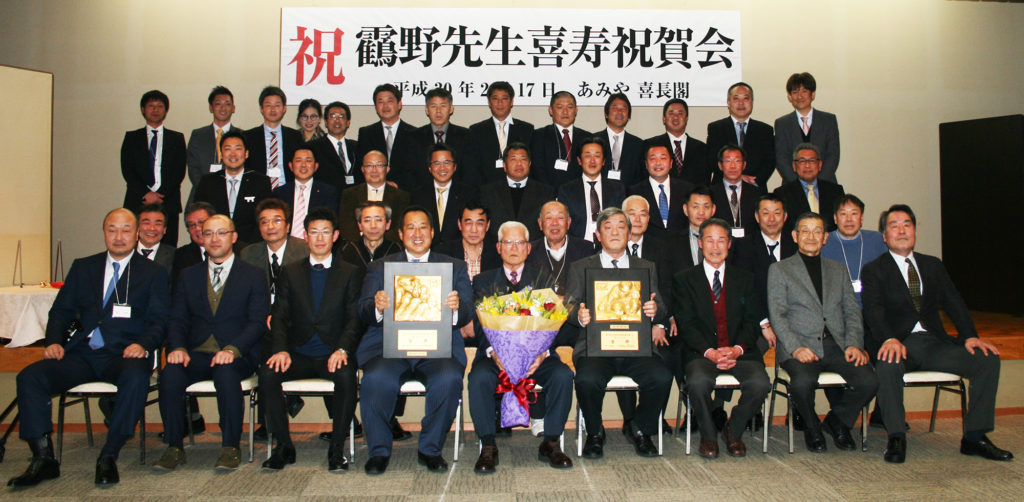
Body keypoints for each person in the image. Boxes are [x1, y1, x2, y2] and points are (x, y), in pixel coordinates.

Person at [7, 209, 169, 487]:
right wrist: (54, 341)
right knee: (31, 376)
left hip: (124, 354)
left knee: (136, 377)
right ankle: (43, 457)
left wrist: (143, 344)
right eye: (112, 230)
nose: (119, 237)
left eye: (125, 230)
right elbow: (62, 312)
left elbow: (159, 319)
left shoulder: (153, 273)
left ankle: (109, 454)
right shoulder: (84, 267)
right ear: (104, 232)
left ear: (136, 234)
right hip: (81, 353)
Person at [862, 204, 1012, 464]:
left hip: (934, 343)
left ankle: (974, 437)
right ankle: (896, 437)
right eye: (894, 226)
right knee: (887, 364)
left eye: (907, 224)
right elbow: (873, 310)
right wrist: (888, 338)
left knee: (986, 359)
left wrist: (970, 336)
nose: (901, 230)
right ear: (885, 236)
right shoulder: (874, 270)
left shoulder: (932, 265)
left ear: (914, 231)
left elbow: (954, 302)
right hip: (899, 343)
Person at [356, 207, 473, 475]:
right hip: (389, 348)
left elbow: (468, 310)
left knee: (448, 379)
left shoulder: (454, 266)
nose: (417, 233)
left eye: (423, 227)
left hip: (438, 349)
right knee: (376, 379)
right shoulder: (380, 267)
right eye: (410, 227)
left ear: (432, 232)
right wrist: (377, 307)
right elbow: (362, 310)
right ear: (400, 233)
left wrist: (456, 309)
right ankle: (379, 451)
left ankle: (430, 449)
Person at [154, 215, 269, 472]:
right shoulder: (188, 275)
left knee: (225, 373)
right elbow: (177, 318)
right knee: (170, 374)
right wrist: (177, 347)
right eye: (208, 233)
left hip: (238, 353)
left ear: (234, 237)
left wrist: (233, 349)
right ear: (201, 238)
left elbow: (257, 322)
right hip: (196, 352)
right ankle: (174, 446)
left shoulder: (253, 275)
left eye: (221, 233)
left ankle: (230, 447)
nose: (214, 239)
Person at [259, 207, 363, 472]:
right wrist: (280, 349)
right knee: (268, 374)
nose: (319, 238)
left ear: (335, 236)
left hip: (332, 353)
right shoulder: (290, 271)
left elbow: (354, 318)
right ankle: (284, 447)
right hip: (298, 353)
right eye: (314, 232)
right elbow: (279, 315)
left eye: (325, 232)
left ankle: (336, 450)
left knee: (346, 376)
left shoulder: (350, 272)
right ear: (305, 236)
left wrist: (342, 349)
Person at [467, 221, 574, 473]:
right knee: (479, 378)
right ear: (498, 247)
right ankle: (488, 444)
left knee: (562, 375)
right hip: (496, 358)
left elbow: (553, 322)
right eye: (507, 242)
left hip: (536, 357)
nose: (513, 248)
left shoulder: (543, 279)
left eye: (519, 243)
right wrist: (494, 353)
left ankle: (551, 442)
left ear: (528, 248)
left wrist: (542, 353)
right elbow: (480, 325)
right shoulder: (483, 281)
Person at [768, 211, 878, 453]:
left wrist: (854, 344)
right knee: (802, 383)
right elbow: (778, 315)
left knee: (869, 380)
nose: (811, 236)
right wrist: (796, 348)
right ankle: (812, 427)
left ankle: (837, 421)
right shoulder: (780, 270)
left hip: (837, 345)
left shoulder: (838, 269)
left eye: (817, 231)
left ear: (825, 237)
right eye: (805, 231)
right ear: (795, 236)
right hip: (800, 345)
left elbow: (852, 312)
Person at [568, 208, 672, 458]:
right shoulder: (580, 267)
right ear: (598, 235)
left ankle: (640, 428)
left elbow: (661, 307)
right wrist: (579, 316)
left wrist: (655, 310)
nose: (615, 232)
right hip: (595, 348)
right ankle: (595, 433)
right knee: (586, 380)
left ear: (629, 233)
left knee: (661, 377)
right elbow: (569, 305)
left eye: (621, 227)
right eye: (608, 227)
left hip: (636, 347)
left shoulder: (645, 266)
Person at [674, 217, 770, 458]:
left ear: (729, 244)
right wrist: (711, 352)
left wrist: (737, 349)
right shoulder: (684, 279)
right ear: (700, 243)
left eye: (721, 241)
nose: (715, 247)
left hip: (741, 352)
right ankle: (708, 436)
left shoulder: (745, 278)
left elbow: (752, 321)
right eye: (709, 240)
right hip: (702, 353)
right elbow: (686, 323)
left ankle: (733, 430)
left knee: (760, 384)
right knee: (697, 383)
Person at [121, 89, 186, 246]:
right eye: (151, 106)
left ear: (166, 110)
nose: (155, 110)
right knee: (134, 246)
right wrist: (146, 194)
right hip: (138, 200)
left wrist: (160, 195)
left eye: (160, 106)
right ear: (143, 109)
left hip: (168, 202)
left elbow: (179, 171)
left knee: (167, 249)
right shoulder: (132, 138)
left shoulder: (176, 138)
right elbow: (128, 170)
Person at [194, 129, 272, 244]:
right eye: (227, 149)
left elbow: (264, 219)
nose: (233, 154)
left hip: (249, 245)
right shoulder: (208, 182)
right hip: (215, 243)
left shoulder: (261, 182)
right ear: (221, 154)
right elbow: (200, 216)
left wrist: (250, 248)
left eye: (238, 149)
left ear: (246, 154)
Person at [479, 141, 555, 241]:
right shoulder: (488, 192)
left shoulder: (546, 192)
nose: (519, 164)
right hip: (498, 247)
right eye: (513, 159)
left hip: (533, 247)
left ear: (529, 164)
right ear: (504, 166)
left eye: (523, 159)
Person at [239, 198, 309, 307]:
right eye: (264, 222)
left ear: (288, 226)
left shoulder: (304, 251)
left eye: (277, 221)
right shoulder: (248, 254)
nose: (270, 226)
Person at [820, 194, 888, 307]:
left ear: (861, 218)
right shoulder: (824, 242)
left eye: (854, 213)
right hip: (837, 308)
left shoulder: (877, 240)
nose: (849, 219)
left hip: (873, 306)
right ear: (835, 218)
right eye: (843, 214)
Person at [557, 136, 626, 242]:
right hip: (578, 246)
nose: (592, 161)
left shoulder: (617, 189)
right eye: (588, 156)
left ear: (603, 161)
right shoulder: (566, 190)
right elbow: (563, 223)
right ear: (579, 160)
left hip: (609, 244)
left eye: (597, 156)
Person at [774, 72, 840, 183]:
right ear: (789, 96)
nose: (800, 96)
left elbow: (833, 155)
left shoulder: (828, 120)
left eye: (804, 91)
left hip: (826, 184)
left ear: (813, 94)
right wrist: (799, 185)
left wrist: (818, 184)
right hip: (792, 186)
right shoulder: (782, 123)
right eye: (795, 92)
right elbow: (781, 158)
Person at [706, 82, 775, 188]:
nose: (741, 103)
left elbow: (770, 162)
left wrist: (753, 181)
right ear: (728, 103)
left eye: (746, 98)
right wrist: (737, 177)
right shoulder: (716, 128)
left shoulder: (765, 130)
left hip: (755, 188)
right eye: (736, 98)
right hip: (722, 188)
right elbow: (712, 160)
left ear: (752, 102)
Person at [355, 84, 423, 191]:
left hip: (405, 192)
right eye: (380, 102)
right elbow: (361, 166)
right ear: (376, 107)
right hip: (373, 191)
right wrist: (379, 184)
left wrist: (397, 185)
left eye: (390, 101)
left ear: (399, 104)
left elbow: (417, 169)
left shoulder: (415, 133)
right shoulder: (366, 133)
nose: (385, 106)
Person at [466, 81, 534, 185]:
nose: (500, 103)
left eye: (504, 98)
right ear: (489, 102)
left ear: (511, 102)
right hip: (486, 190)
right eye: (495, 98)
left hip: (519, 187)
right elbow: (473, 168)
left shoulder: (527, 129)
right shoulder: (476, 131)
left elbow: (531, 165)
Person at [337, 150, 410, 243]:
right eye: (369, 165)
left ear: (387, 169)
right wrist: (364, 243)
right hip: (357, 246)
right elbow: (346, 226)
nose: (374, 170)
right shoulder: (349, 194)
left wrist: (379, 243)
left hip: (390, 247)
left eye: (379, 165)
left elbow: (400, 227)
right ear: (362, 169)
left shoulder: (401, 196)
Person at [773, 143, 844, 234]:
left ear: (820, 165)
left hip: (830, 241)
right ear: (794, 166)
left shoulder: (835, 191)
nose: (807, 165)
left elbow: (840, 224)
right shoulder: (782, 193)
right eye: (802, 161)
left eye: (812, 161)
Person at [186, 86, 240, 206]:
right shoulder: (197, 135)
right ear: (211, 108)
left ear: (233, 108)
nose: (223, 108)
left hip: (233, 196)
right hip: (202, 196)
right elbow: (193, 168)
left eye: (227, 104)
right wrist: (208, 190)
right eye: (218, 104)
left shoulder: (241, 135)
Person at [244, 86, 303, 190]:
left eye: (277, 105)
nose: (273, 109)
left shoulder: (295, 136)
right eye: (268, 105)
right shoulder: (249, 136)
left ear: (284, 109)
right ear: (261, 109)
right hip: (258, 190)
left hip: (288, 190)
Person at [410, 143, 471, 245]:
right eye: (437, 163)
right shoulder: (418, 195)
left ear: (455, 166)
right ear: (430, 168)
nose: (442, 168)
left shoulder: (468, 194)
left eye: (447, 162)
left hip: (457, 250)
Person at [628, 144, 694, 236]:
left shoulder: (687, 189)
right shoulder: (634, 192)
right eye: (653, 159)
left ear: (671, 163)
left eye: (663, 158)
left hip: (681, 242)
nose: (658, 163)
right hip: (648, 243)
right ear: (646, 164)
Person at [530, 91, 592, 188]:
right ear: (551, 110)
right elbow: (537, 170)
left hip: (581, 192)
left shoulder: (587, 137)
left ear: (576, 110)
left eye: (570, 107)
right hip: (549, 193)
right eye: (560, 107)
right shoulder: (539, 136)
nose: (565, 112)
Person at [273, 147, 339, 239]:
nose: (303, 165)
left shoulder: (328, 192)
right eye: (298, 160)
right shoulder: (280, 193)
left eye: (308, 161)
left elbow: (331, 223)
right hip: (286, 243)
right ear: (291, 166)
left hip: (316, 242)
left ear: (316, 166)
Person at [644, 98, 711, 186]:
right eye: (671, 113)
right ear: (664, 119)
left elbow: (705, 180)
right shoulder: (650, 145)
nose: (675, 117)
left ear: (686, 119)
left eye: (680, 113)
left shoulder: (702, 148)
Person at [433, 203, 501, 281]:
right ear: (459, 224)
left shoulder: (498, 254)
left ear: (487, 226)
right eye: (468, 223)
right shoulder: (443, 253)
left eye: (479, 224)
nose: (474, 230)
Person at [415, 88, 470, 182]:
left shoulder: (466, 136)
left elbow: (469, 172)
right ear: (427, 110)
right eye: (433, 106)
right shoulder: (414, 137)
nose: (438, 111)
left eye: (443, 106)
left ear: (451, 109)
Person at [710, 145, 764, 239]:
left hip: (750, 243)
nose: (733, 166)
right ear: (720, 165)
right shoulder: (711, 193)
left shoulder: (757, 194)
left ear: (744, 165)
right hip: (720, 243)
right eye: (728, 161)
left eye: (737, 161)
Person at [305, 101, 361, 192]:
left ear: (348, 123)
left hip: (353, 197)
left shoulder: (357, 147)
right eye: (333, 116)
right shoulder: (313, 147)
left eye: (341, 117)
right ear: (326, 122)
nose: (337, 120)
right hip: (326, 197)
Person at [338, 201, 403, 269]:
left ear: (388, 224)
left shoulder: (397, 250)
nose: (373, 226)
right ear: (360, 225)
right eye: (367, 220)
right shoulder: (348, 250)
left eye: (378, 220)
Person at [600, 93, 646, 187]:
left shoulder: (639, 144)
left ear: (628, 115)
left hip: (629, 194)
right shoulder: (594, 141)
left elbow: (641, 177)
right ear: (606, 114)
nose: (619, 112)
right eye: (615, 108)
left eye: (624, 108)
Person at [171, 202, 216, 284]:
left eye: (201, 222)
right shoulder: (180, 256)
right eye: (192, 225)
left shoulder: (234, 250)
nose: (197, 228)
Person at [137, 203, 176, 269]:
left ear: (164, 229)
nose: (152, 228)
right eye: (146, 223)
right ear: (137, 227)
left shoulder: (176, 256)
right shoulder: (125, 252)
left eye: (158, 224)